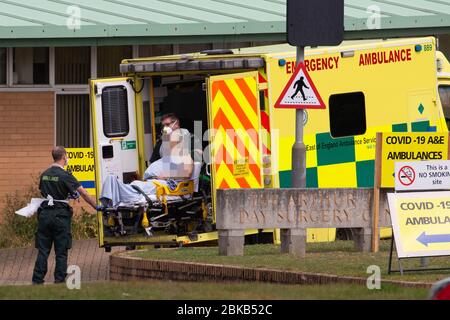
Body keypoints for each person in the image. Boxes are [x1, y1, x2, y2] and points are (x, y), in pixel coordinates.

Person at [32, 146, 99, 285]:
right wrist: (97, 207)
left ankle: (37, 280)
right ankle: (59, 280)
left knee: (43, 250)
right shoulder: (65, 175)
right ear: (63, 157)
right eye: (67, 156)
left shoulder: (44, 174)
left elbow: (44, 192)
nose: (67, 159)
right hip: (60, 216)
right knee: (61, 251)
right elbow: (84, 193)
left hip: (45, 215)